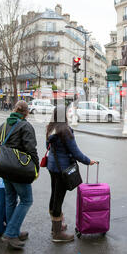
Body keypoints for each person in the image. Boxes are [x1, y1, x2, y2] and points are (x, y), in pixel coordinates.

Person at [0, 100, 39, 249]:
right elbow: (31, 149)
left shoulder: (4, 125)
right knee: (26, 200)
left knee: (11, 199)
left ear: (14, 110)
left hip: (4, 168)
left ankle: (13, 231)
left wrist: (4, 155)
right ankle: (11, 233)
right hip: (18, 170)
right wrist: (35, 167)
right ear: (26, 112)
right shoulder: (25, 126)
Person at [46, 104, 97, 243]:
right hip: (62, 169)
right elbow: (76, 152)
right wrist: (88, 161)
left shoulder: (51, 128)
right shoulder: (65, 130)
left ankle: (55, 227)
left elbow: (48, 147)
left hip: (52, 167)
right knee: (58, 198)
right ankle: (57, 234)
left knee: (54, 195)